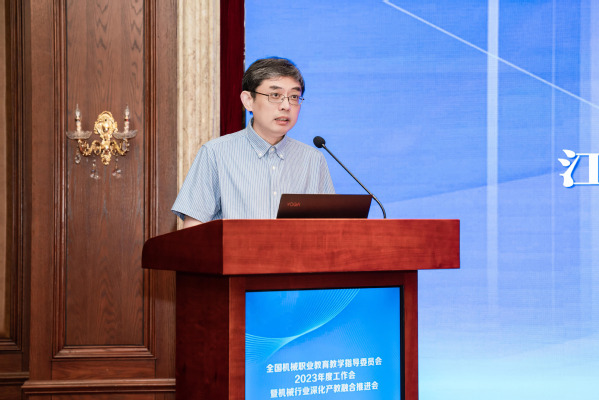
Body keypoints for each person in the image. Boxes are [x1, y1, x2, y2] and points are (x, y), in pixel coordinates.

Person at [172, 57, 335, 228]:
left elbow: (331, 228)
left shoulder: (313, 160)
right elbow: (194, 228)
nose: (286, 105)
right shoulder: (215, 153)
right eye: (275, 95)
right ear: (248, 101)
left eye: (294, 96)